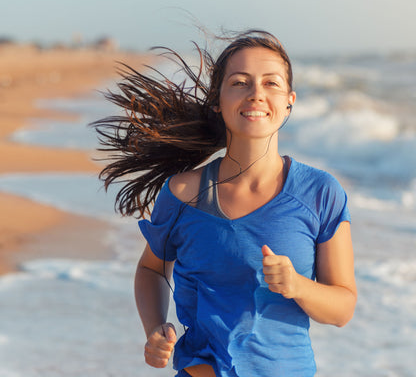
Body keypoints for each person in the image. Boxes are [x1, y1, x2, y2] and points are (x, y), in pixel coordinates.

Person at [92, 30, 357, 377]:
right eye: (240, 82)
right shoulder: (183, 193)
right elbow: (151, 269)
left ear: (290, 100)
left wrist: (298, 286)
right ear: (218, 100)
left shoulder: (321, 193)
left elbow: (342, 308)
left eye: (271, 83)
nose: (256, 94)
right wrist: (154, 327)